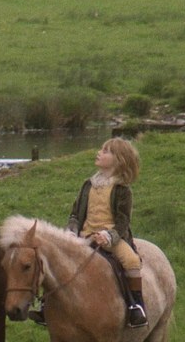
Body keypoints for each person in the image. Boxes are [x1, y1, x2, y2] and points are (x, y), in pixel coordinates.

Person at [28, 137, 148, 328]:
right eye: (101, 149)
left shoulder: (122, 190)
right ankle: (46, 306)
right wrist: (72, 231)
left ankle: (136, 305)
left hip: (111, 238)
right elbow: (75, 215)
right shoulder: (88, 185)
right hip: (84, 236)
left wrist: (108, 236)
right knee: (57, 260)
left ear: (119, 160)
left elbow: (123, 222)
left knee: (132, 261)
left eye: (105, 151)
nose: (99, 153)